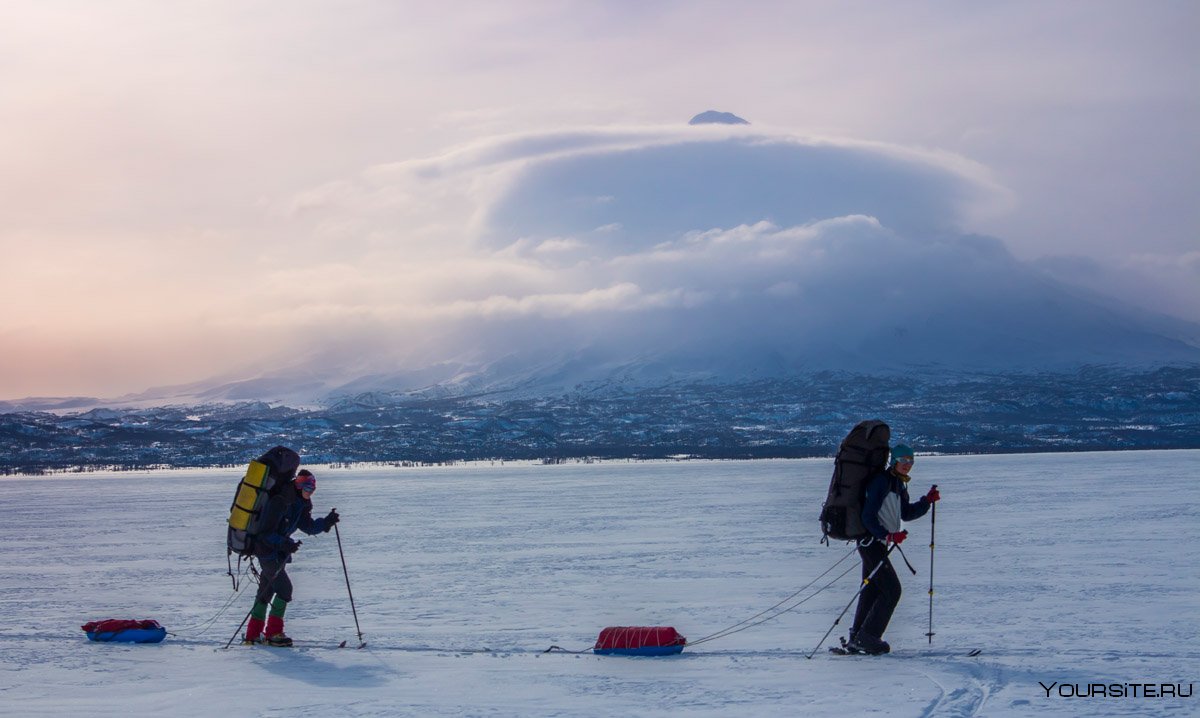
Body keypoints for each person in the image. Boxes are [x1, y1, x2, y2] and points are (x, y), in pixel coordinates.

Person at [847, 443, 940, 655]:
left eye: (911, 461)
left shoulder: (898, 484)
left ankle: (857, 637)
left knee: (872, 589)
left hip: (877, 543)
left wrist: (926, 501)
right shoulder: (881, 481)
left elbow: (906, 513)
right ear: (894, 460)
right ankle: (868, 637)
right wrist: (886, 535)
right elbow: (867, 516)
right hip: (870, 543)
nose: (908, 464)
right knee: (892, 590)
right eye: (904, 460)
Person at [243, 469, 340, 646]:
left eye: (313, 489)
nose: (310, 493)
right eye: (308, 488)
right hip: (266, 551)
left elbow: (309, 527)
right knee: (285, 589)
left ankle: (252, 634)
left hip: (276, 552)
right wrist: (284, 543)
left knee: (266, 592)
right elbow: (265, 534)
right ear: (299, 486)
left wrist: (326, 522)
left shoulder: (300, 504)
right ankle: (273, 634)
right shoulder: (280, 502)